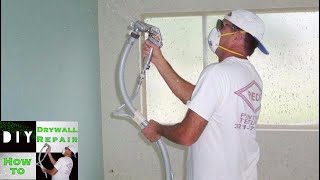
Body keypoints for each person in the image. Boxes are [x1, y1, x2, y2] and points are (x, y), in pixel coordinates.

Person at [142, 9, 268, 180]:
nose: (217, 30)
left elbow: (186, 136)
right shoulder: (252, 78)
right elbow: (201, 99)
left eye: (222, 25)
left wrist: (158, 129)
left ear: (238, 36)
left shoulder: (217, 72)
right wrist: (158, 60)